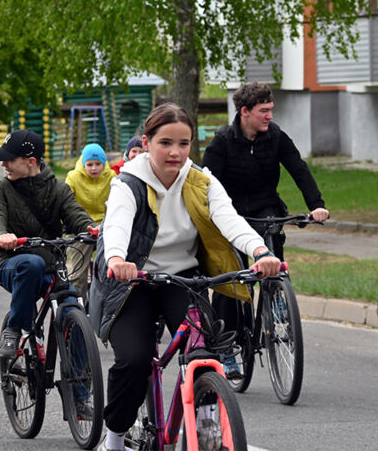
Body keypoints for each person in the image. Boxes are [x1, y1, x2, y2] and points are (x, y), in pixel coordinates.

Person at [90, 103, 283, 451]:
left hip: (184, 281)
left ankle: (207, 439)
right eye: (165, 143)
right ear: (146, 142)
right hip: (132, 284)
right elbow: (117, 223)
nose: (175, 152)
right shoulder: (128, 183)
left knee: (203, 355)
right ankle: (115, 439)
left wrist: (261, 252)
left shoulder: (201, 181)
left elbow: (230, 219)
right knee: (134, 361)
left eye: (183, 143)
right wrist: (117, 258)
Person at [201, 82, 329, 368]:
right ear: (245, 112)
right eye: (264, 111)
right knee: (232, 281)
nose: (270, 116)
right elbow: (205, 182)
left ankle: (276, 293)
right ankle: (227, 347)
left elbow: (298, 167)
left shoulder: (275, 136)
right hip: (229, 213)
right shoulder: (222, 140)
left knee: (273, 243)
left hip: (264, 207)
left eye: (271, 110)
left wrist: (316, 204)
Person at [0, 129, 95, 354]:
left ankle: (81, 386)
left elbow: (75, 214)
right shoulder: (1, 188)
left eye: (10, 159)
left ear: (31, 161)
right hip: (12, 264)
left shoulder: (59, 189)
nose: (4, 164)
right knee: (31, 265)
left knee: (74, 309)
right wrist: (1, 235)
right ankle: (14, 329)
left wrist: (92, 228)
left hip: (51, 267)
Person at [65, 143, 115, 297]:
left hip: (104, 227)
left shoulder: (112, 176)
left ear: (104, 163)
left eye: (98, 164)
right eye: (90, 164)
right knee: (78, 275)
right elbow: (66, 202)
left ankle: (107, 308)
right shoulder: (73, 176)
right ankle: (76, 310)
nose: (94, 168)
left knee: (110, 272)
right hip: (80, 227)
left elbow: (118, 202)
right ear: (83, 163)